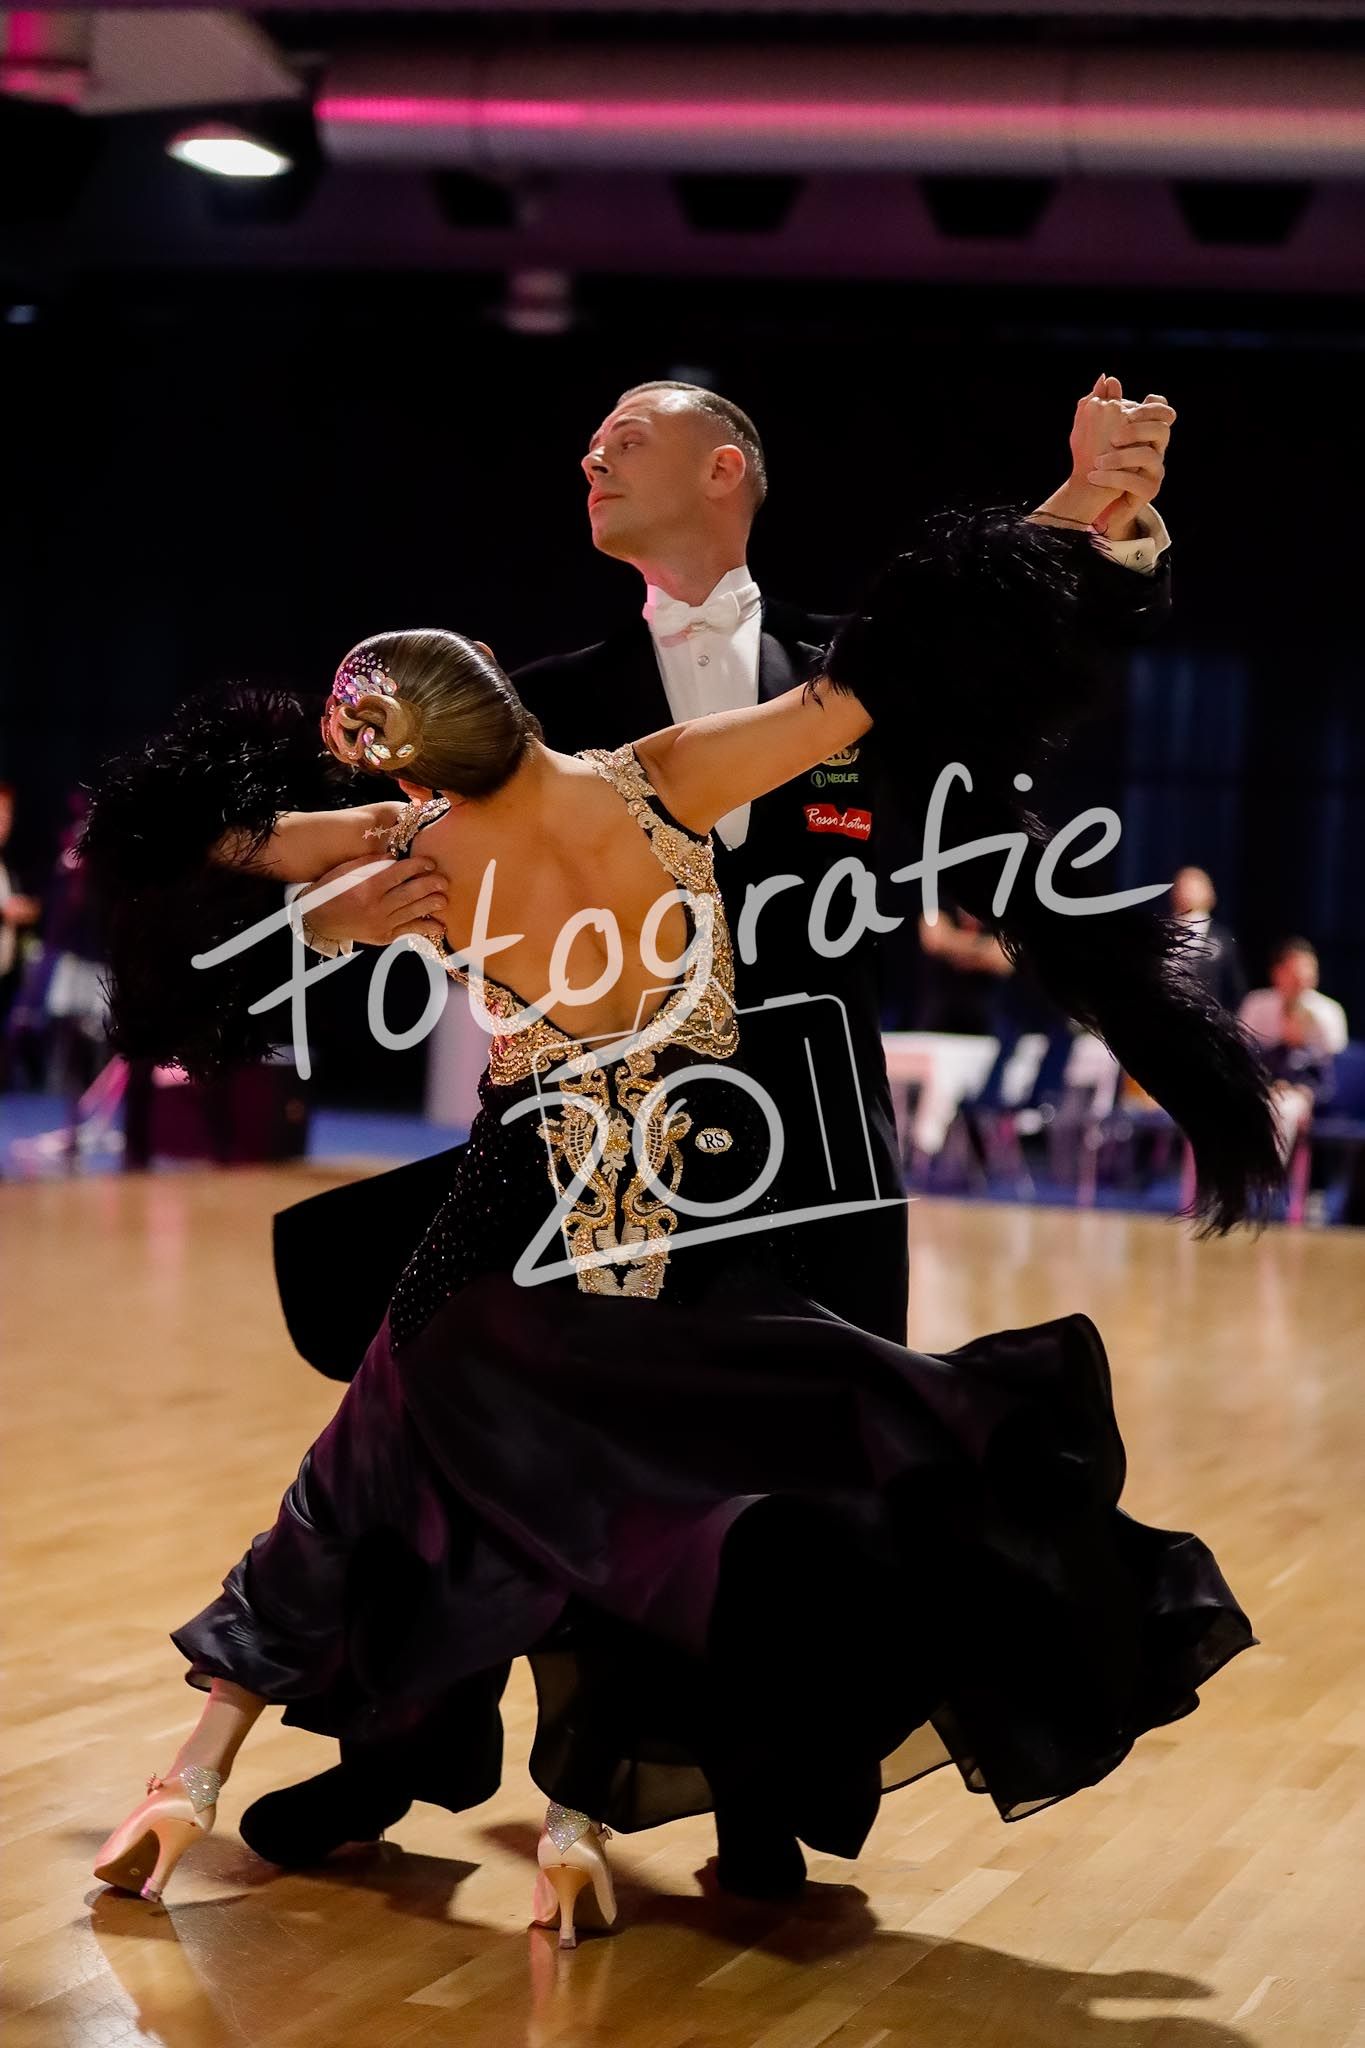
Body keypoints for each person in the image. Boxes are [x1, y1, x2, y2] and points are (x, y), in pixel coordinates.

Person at [85, 547, 1280, 1938]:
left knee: (351, 1486)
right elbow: (856, 688)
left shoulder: (415, 851)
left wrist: (323, 911)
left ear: (405, 763)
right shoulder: (657, 780)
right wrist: (1064, 532)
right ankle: (574, 1826)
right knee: (631, 1520)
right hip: (691, 1218)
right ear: (500, 698)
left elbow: (176, 859)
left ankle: (189, 1779)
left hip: (496, 1236)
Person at [243, 376, 1179, 1878]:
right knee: (478, 1437)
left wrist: (1101, 522)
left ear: (725, 465)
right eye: (590, 439)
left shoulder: (858, 666)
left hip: (809, 1129)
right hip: (586, 1142)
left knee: (793, 1475)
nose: (590, 452)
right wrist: (324, 904)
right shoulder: (538, 704)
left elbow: (1005, 647)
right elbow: (345, 849)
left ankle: (756, 1793)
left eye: (627, 434)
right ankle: (389, 1752)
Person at [1239, 937, 1349, 1160]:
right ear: (1277, 972)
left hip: (1308, 1101)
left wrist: (1305, 1092)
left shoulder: (1329, 1011)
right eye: (1294, 970)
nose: (1301, 976)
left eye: (1308, 969)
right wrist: (1267, 1085)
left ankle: (1267, 1168)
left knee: (1284, 1108)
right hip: (1263, 1089)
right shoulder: (1257, 1003)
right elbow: (1244, 1056)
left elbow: (1333, 1072)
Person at [1171, 865, 1246, 1014]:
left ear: (1209, 893)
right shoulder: (1162, 933)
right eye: (1183, 887)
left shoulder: (1223, 939)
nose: (1187, 893)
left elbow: (1235, 990)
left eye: (1194, 888)